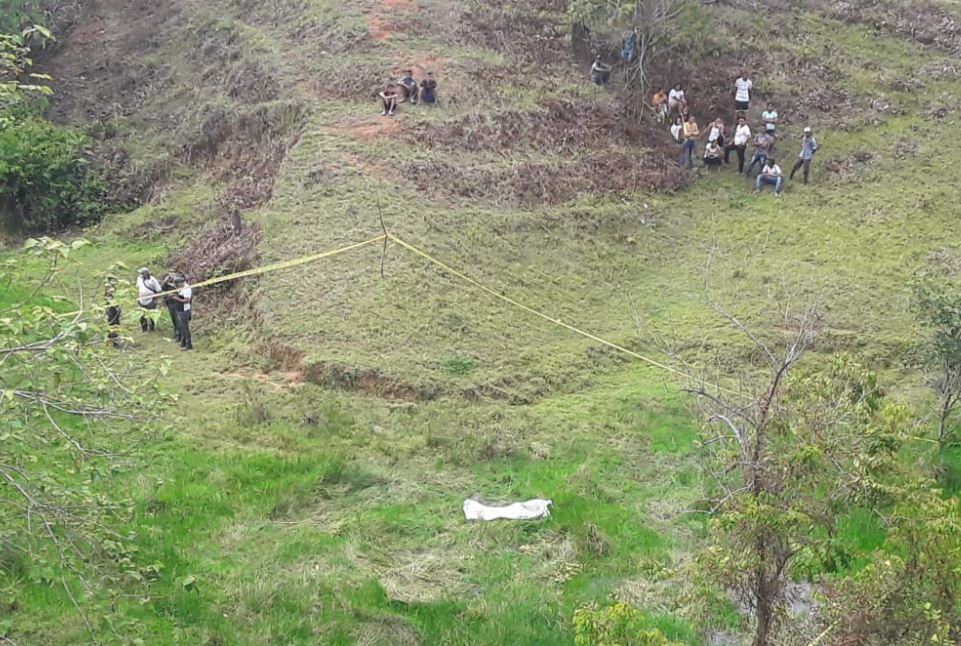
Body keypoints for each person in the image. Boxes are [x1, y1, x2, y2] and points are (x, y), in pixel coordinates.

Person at [136, 268, 162, 332]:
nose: (140, 275)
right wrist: (138, 297)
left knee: (151, 314)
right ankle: (144, 328)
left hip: (151, 300)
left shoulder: (152, 280)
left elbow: (159, 290)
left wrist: (155, 299)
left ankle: (151, 328)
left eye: (142, 273)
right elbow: (138, 288)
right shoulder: (139, 279)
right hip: (141, 299)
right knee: (142, 314)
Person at [171, 275, 193, 351]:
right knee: (181, 327)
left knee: (185, 328)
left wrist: (176, 298)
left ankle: (188, 344)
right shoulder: (182, 287)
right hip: (180, 309)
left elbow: (187, 300)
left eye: (177, 285)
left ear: (180, 283)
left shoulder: (186, 289)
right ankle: (183, 342)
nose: (177, 286)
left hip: (184, 310)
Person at [161, 273, 180, 342]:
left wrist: (173, 295)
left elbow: (180, 294)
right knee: (174, 319)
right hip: (170, 304)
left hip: (177, 304)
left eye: (171, 278)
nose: (170, 279)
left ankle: (179, 335)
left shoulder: (178, 285)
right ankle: (176, 333)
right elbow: (162, 288)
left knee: (178, 320)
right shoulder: (168, 285)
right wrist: (165, 281)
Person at [104, 277, 121, 347]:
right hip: (112, 312)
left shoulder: (109, 295)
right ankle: (112, 341)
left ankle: (113, 341)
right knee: (113, 326)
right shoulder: (109, 296)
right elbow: (113, 303)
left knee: (115, 326)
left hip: (113, 312)